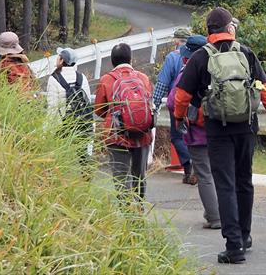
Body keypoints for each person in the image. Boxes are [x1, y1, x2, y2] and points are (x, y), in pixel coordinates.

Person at [173, 6, 266, 265]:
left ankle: (234, 246)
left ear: (208, 30)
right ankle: (245, 236)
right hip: (247, 126)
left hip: (217, 129)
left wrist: (179, 118)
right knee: (244, 181)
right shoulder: (245, 52)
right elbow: (265, 89)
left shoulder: (201, 56)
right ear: (229, 28)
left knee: (224, 184)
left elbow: (181, 96)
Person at [167, 34, 220, 229]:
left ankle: (215, 217)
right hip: (221, 129)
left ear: (186, 55)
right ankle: (221, 211)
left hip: (198, 132)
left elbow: (173, 101)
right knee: (218, 174)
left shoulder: (188, 70)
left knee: (204, 175)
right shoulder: (219, 67)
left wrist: (180, 118)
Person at [94, 42, 155, 202]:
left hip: (117, 135)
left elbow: (99, 110)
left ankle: (126, 210)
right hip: (142, 133)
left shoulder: (107, 80)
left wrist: (117, 116)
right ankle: (139, 206)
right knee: (139, 175)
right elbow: (149, 104)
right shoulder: (143, 78)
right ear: (131, 59)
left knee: (121, 176)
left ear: (112, 61)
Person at [152, 27, 196, 184]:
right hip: (197, 104)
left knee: (177, 137)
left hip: (178, 103)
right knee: (195, 136)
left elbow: (162, 84)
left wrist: (155, 104)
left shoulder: (173, 57)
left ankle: (189, 166)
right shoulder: (199, 57)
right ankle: (198, 167)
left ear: (177, 41)